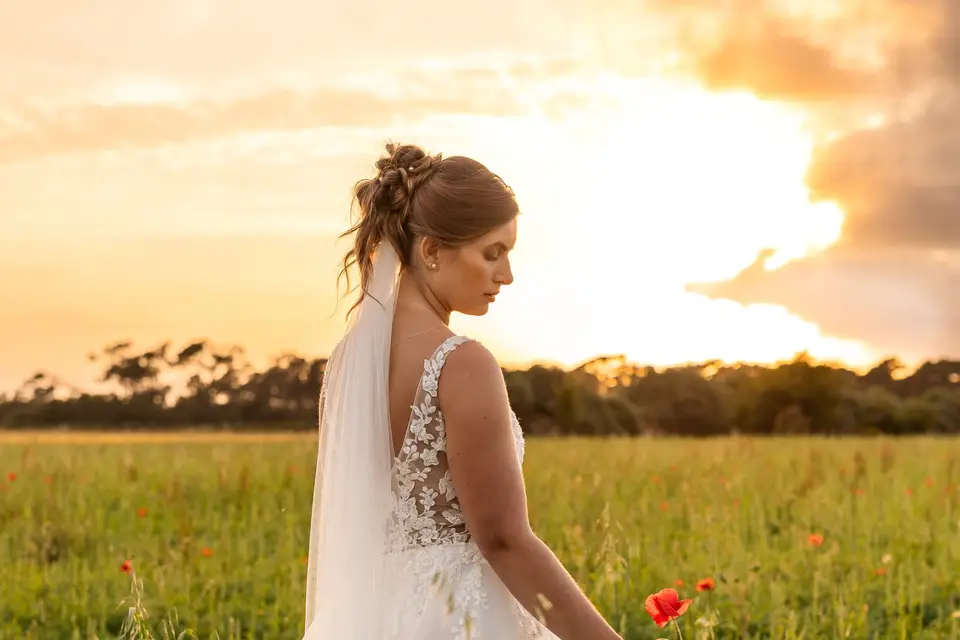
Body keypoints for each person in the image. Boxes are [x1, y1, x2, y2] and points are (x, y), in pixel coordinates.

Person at [302, 143, 622, 640]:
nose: (506, 275)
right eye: (492, 253)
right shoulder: (462, 363)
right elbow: (503, 539)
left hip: (370, 613)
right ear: (431, 250)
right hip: (459, 616)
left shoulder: (348, 362)